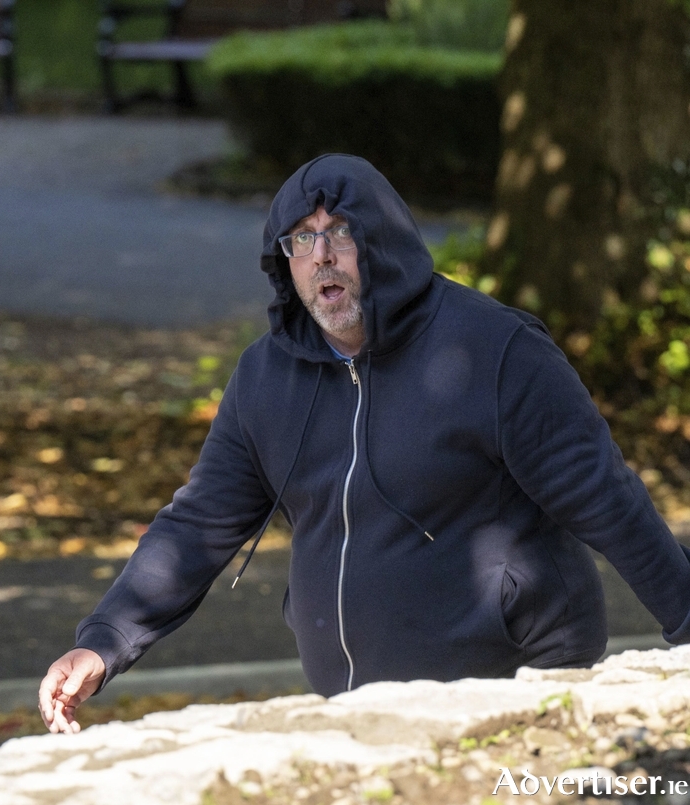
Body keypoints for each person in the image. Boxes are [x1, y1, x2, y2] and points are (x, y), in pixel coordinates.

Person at [40, 153, 690, 734]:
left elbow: (607, 499)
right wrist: (103, 641)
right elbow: (198, 524)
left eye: (341, 233)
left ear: (385, 243)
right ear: (284, 261)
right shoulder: (265, 378)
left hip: (517, 698)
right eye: (302, 239)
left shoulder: (496, 352)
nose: (322, 254)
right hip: (355, 715)